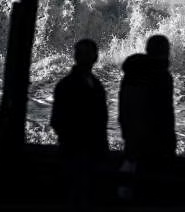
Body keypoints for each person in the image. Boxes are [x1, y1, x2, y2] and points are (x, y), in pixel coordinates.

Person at [50, 38, 109, 206]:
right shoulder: (70, 85)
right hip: (74, 152)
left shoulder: (95, 85)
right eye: (81, 54)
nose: (84, 57)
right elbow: (57, 121)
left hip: (88, 152)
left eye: (87, 54)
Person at [117, 34, 176, 200]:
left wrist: (129, 137)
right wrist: (168, 145)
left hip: (133, 140)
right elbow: (163, 115)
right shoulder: (161, 76)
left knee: (135, 190)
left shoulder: (131, 75)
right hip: (154, 144)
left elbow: (125, 109)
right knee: (150, 192)